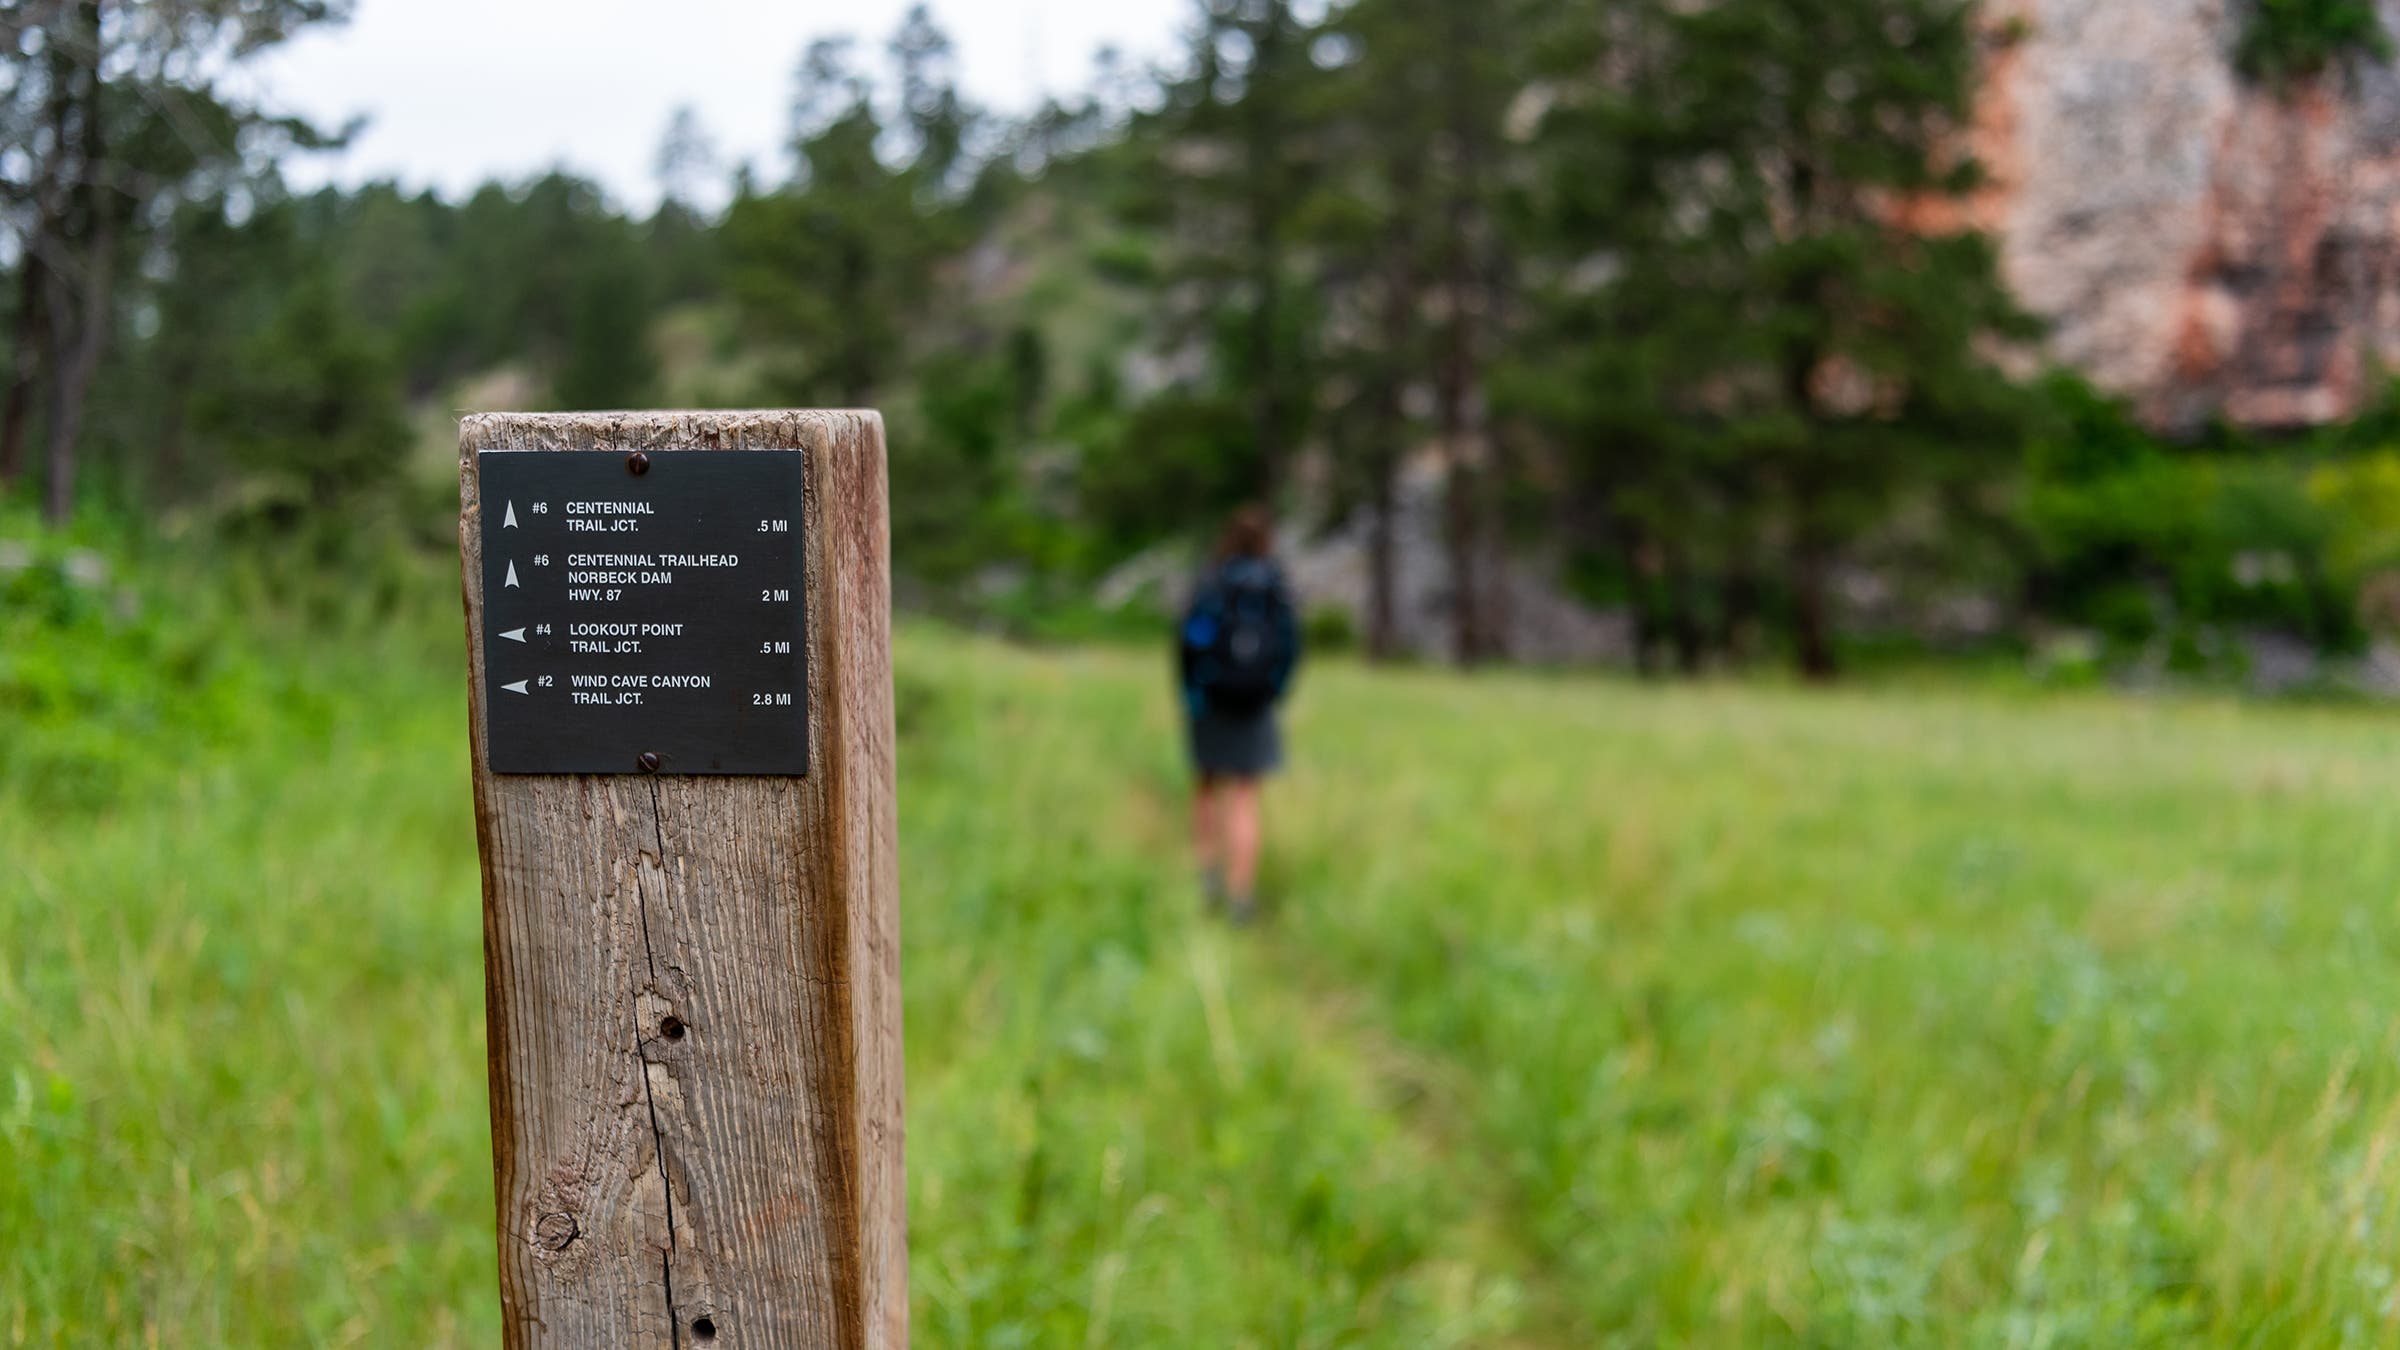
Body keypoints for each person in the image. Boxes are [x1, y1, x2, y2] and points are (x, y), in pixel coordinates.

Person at [1176, 505, 1301, 923]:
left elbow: (1189, 641)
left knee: (1207, 786)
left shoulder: (1213, 582)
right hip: (1255, 703)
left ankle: (1208, 873)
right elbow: (1290, 647)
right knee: (1245, 796)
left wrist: (1192, 693)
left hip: (1211, 700)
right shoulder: (1275, 587)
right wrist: (1273, 691)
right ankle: (1240, 893)